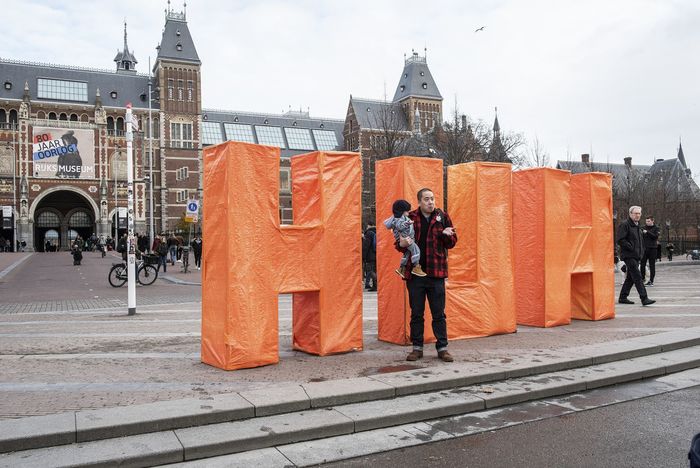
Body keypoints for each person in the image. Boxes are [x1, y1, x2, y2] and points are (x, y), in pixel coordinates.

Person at [396, 188, 457, 363]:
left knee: (439, 313)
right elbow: (399, 243)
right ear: (419, 201)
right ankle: (417, 348)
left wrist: (446, 235)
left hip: (436, 273)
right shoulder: (410, 218)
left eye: (432, 198)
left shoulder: (442, 217)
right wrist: (401, 243)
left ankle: (442, 348)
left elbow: (452, 242)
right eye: (427, 199)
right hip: (415, 275)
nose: (431, 202)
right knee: (416, 313)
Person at [616, 206, 655, 306]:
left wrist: (641, 252)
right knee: (637, 276)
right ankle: (644, 298)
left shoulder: (638, 226)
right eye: (635, 213)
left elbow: (640, 241)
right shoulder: (625, 225)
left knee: (630, 278)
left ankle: (623, 297)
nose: (637, 215)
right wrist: (631, 247)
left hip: (636, 255)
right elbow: (620, 240)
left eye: (639, 213)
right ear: (630, 214)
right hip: (629, 255)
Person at [383, 200, 427, 277]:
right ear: (402, 211)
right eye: (407, 211)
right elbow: (400, 226)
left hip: (407, 237)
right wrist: (408, 223)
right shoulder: (399, 219)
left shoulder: (401, 217)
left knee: (407, 253)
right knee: (416, 250)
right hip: (406, 238)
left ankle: (402, 268)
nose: (408, 213)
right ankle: (416, 266)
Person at [640, 216, 660, 286]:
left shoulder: (656, 228)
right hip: (644, 249)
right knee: (642, 264)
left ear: (652, 221)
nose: (647, 223)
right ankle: (642, 279)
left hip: (653, 249)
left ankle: (651, 281)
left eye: (648, 221)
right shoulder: (643, 228)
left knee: (652, 265)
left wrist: (647, 232)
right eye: (646, 221)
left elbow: (655, 237)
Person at [362, 225, 378, 290]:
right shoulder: (376, 231)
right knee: (374, 270)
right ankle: (375, 286)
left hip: (370, 255)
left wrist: (363, 256)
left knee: (370, 271)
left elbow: (366, 246)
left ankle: (376, 284)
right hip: (376, 254)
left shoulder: (368, 233)